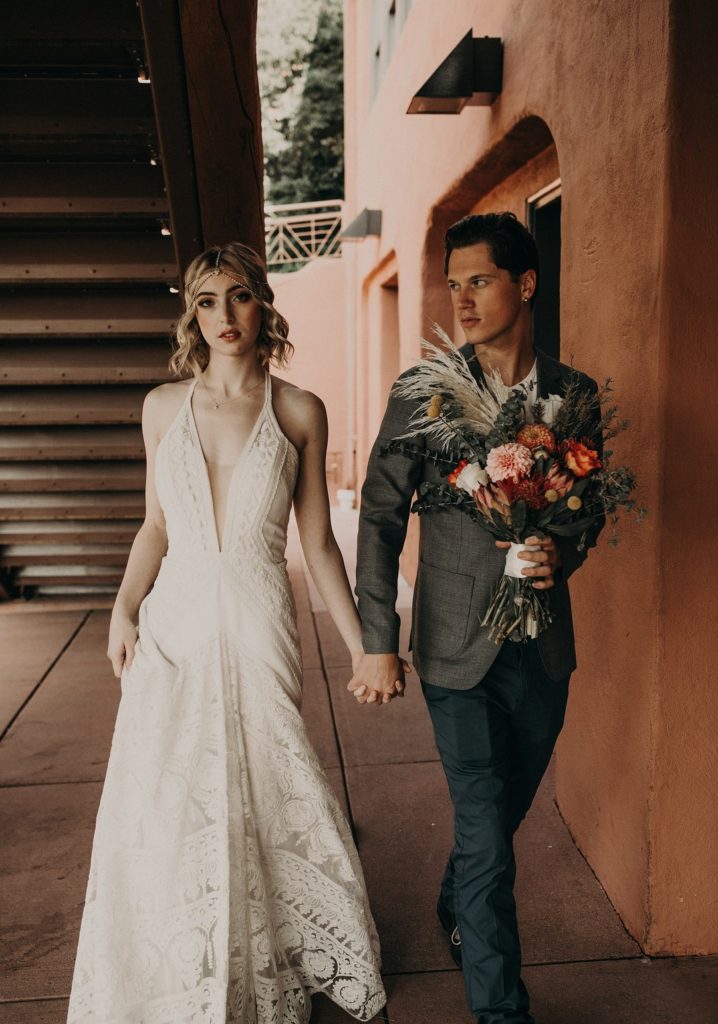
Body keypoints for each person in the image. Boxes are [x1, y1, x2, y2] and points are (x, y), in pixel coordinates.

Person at [67, 243, 385, 1024]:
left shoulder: (298, 409)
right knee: (165, 788)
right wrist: (122, 607)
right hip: (172, 619)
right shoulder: (160, 408)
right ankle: (186, 954)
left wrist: (364, 647)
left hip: (258, 613)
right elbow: (154, 528)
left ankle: (280, 942)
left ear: (263, 305)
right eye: (206, 302)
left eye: (238, 297)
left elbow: (317, 545)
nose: (223, 317)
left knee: (273, 777)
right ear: (192, 314)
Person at [349, 212, 603, 1024]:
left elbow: (586, 511)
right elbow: (380, 520)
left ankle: (457, 897)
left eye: (479, 280)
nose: (460, 298)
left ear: (525, 284)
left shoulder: (573, 396)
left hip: (542, 651)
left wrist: (562, 553)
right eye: (452, 283)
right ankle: (502, 1011)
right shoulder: (422, 393)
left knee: (501, 816)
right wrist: (378, 642)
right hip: (455, 650)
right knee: (488, 836)